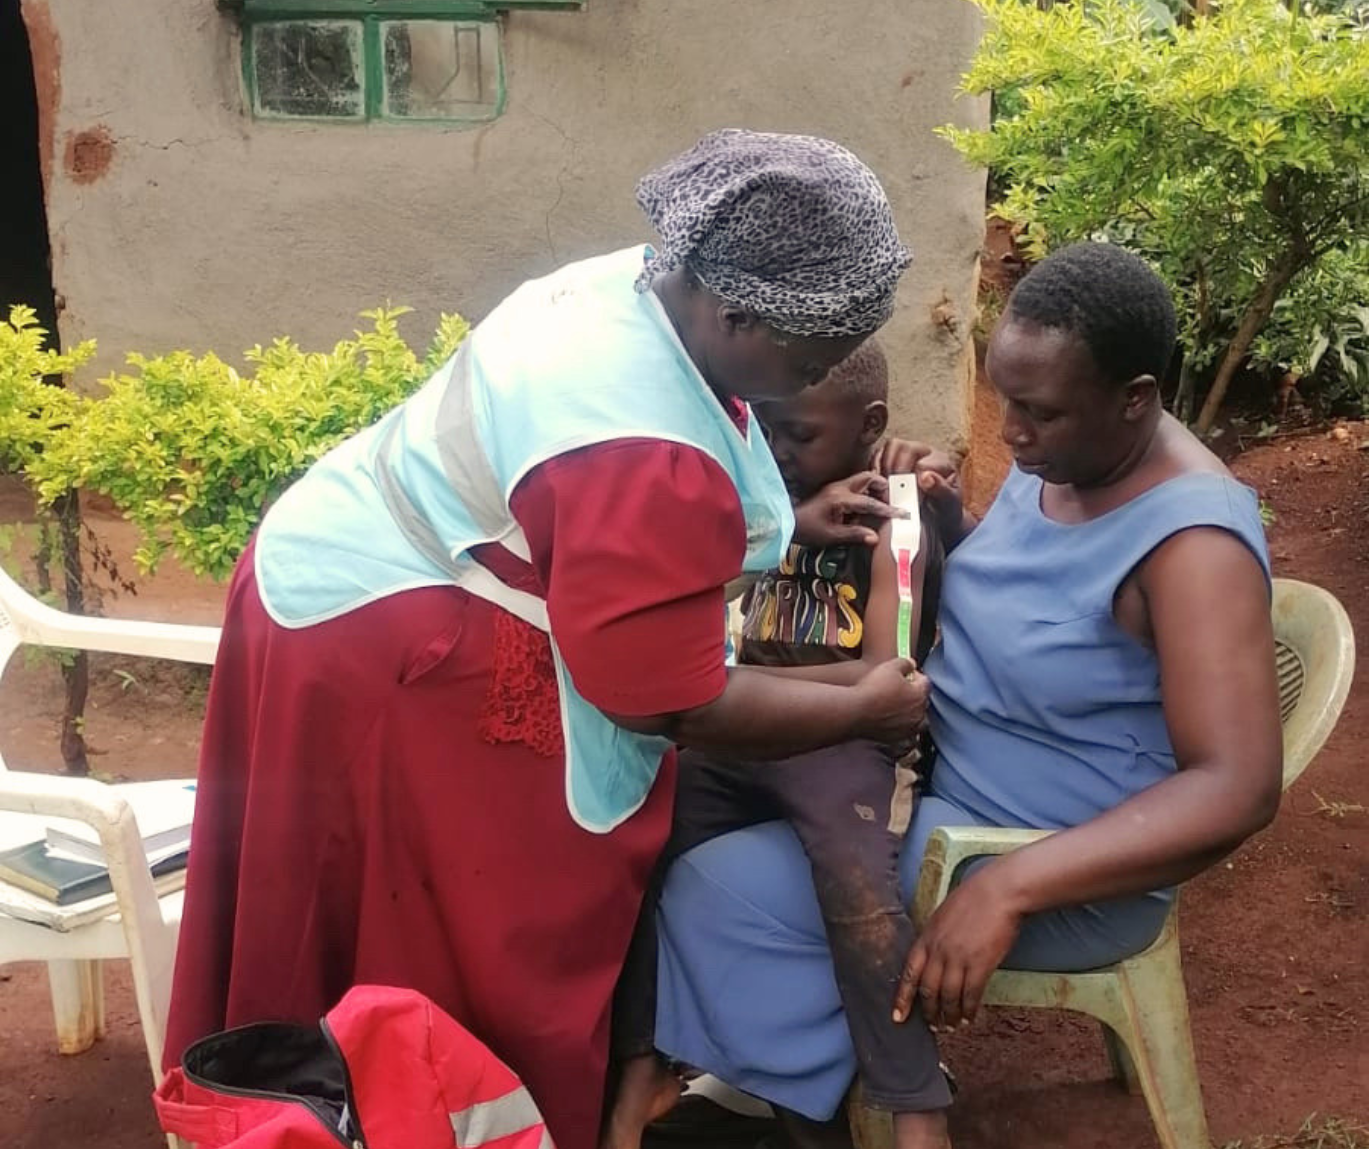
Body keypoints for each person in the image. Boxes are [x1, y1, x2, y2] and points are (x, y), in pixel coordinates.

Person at [162, 130, 931, 1149]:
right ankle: (396, 1115)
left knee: (357, 915)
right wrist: (864, 706)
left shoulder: (633, 286)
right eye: (812, 354)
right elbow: (669, 701)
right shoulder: (641, 456)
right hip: (391, 650)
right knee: (459, 944)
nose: (819, 374)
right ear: (733, 309)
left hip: (349, 574)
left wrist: (788, 526)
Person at [650, 242, 1284, 1149]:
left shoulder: (1192, 546)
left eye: (1037, 412)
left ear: (1135, 398)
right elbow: (1042, 598)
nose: (1012, 434)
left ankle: (846, 1095)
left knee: (717, 888)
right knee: (706, 797)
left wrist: (1012, 886)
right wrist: (946, 520)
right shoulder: (1072, 459)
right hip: (945, 794)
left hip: (1051, 857)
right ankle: (817, 1057)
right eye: (1003, 401)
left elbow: (1236, 785)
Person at [604, 341, 950, 1149]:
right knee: (635, 843)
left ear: (869, 426)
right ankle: (640, 1069)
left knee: (859, 895)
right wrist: (784, 524)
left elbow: (885, 678)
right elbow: (686, 596)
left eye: (799, 435)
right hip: (745, 733)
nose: (779, 451)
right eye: (765, 429)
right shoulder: (758, 494)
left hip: (847, 746)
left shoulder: (895, 508)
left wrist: (745, 693)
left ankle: (913, 1102)